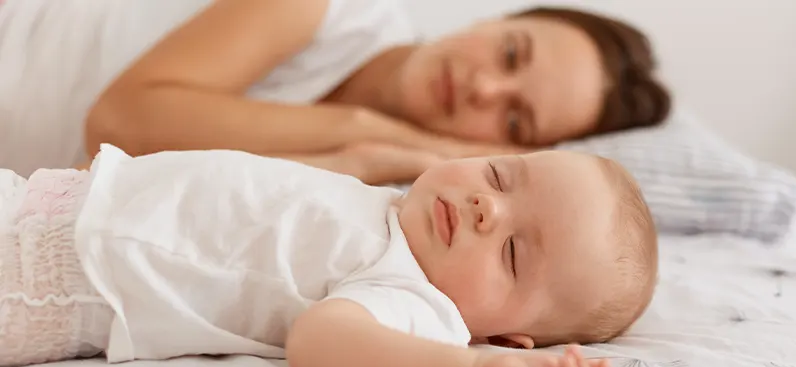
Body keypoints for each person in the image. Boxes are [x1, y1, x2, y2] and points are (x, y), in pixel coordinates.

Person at [0, 143, 658, 367]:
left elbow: (323, 344)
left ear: (508, 337)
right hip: (44, 201)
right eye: (498, 174)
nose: (488, 208)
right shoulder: (389, 207)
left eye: (513, 253)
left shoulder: (415, 300)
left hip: (52, 277)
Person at [1, 0, 670, 183]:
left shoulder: (399, 185)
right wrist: (373, 131)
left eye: (515, 119)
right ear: (491, 21)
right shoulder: (328, 7)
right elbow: (120, 122)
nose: (483, 87)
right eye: (509, 53)